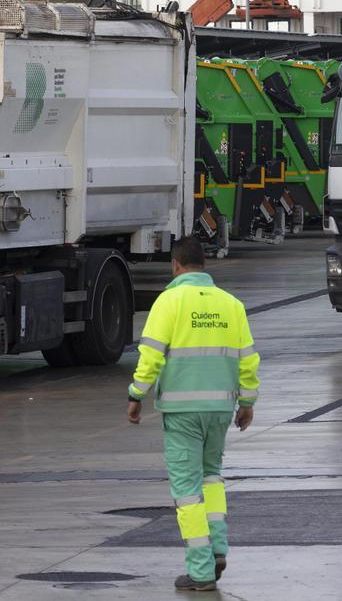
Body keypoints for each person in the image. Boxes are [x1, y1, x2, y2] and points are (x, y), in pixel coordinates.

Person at [126, 237, 260, 592]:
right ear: (204, 264)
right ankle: (217, 549)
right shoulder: (231, 305)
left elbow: (151, 356)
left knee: (186, 492)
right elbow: (248, 360)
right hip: (220, 409)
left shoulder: (168, 302)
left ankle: (200, 571)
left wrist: (136, 394)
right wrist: (247, 403)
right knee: (212, 478)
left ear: (175, 265)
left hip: (182, 411)